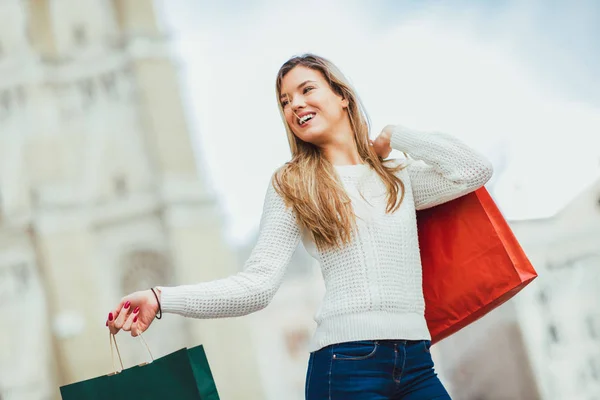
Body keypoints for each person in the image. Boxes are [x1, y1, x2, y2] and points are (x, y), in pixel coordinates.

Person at [106, 53, 493, 399]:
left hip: (416, 362)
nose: (296, 105)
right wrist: (161, 298)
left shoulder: (396, 177)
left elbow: (474, 170)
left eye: (307, 89)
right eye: (285, 101)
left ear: (343, 95)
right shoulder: (293, 183)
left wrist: (397, 136)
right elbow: (256, 287)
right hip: (346, 366)